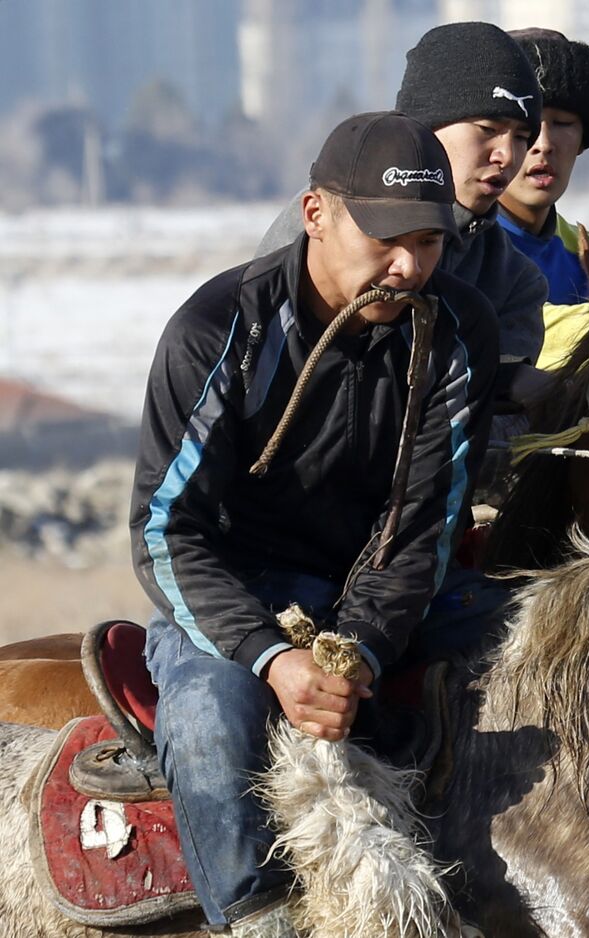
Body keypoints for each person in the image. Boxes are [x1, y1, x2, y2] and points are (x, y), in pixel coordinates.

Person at [133, 112, 497, 936]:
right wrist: (273, 657)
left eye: (431, 244)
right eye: (387, 238)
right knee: (204, 723)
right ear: (316, 215)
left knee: (546, 641)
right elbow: (164, 531)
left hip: (387, 596)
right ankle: (257, 919)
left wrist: (358, 649)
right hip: (236, 597)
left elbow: (422, 528)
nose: (409, 267)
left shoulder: (457, 328)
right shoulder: (218, 329)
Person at [258, 21, 549, 401]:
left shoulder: (513, 280)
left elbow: (487, 430)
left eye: (523, 137)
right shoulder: (331, 220)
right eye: (487, 128)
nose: (508, 156)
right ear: (426, 126)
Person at [498, 29, 589, 372]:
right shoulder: (453, 249)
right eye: (525, 126)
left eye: (562, 123)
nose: (543, 144)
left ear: (583, 141)